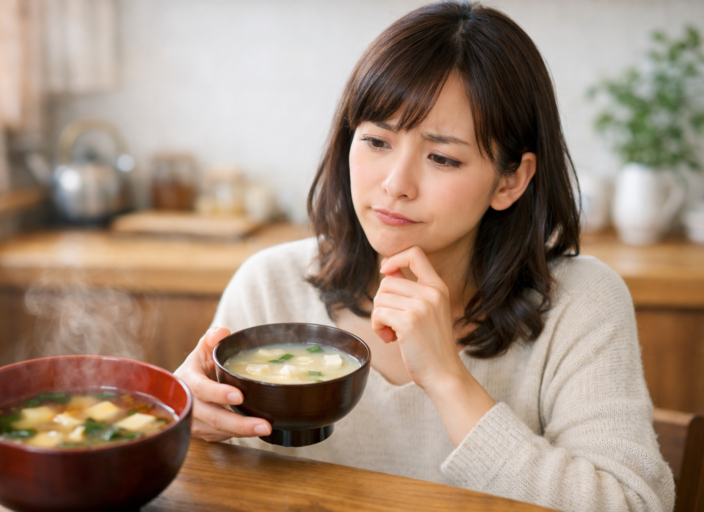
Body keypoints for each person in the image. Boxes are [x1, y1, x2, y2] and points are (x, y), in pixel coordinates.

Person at [175, 2, 675, 511]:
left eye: (442, 157)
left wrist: (446, 378)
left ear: (511, 180)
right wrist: (183, 421)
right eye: (376, 140)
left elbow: (633, 505)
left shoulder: (580, 303)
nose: (395, 184)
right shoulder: (271, 284)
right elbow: (204, 480)